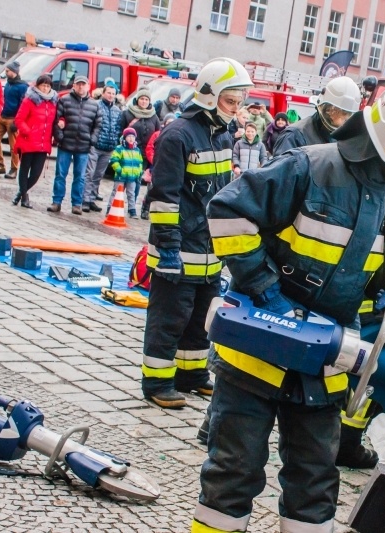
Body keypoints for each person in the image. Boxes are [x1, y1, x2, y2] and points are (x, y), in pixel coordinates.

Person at [192, 76, 385, 533]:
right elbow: (228, 213)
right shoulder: (308, 167)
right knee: (233, 473)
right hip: (257, 350)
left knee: (315, 483)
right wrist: (265, 290)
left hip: (323, 363)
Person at [141, 57, 253, 409]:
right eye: (229, 101)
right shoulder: (177, 135)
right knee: (169, 318)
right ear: (209, 95)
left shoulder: (219, 134)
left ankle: (191, 375)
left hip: (208, 251)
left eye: (239, 103)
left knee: (199, 318)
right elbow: (164, 199)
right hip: (178, 249)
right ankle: (157, 380)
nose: (235, 110)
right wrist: (169, 249)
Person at [48, 76, 101, 215]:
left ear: (88, 87)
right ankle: (56, 201)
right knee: (60, 174)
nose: (81, 87)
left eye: (83, 85)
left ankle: (76, 203)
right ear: (74, 86)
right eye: (78, 85)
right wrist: (59, 136)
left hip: (83, 146)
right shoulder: (64, 100)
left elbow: (98, 125)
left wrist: (92, 139)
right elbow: (57, 119)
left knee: (80, 176)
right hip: (66, 144)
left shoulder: (94, 105)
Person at [273, 76, 361, 154]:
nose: (340, 120)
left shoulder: (345, 139)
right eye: (336, 111)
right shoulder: (294, 135)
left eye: (346, 115)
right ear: (327, 109)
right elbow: (281, 170)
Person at [11, 74, 57, 209]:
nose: (45, 88)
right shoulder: (29, 100)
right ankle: (24, 198)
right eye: (43, 85)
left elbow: (57, 118)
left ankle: (20, 193)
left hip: (44, 143)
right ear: (37, 86)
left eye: (48, 86)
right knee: (25, 169)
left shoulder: (54, 101)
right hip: (28, 140)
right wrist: (28, 131)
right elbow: (19, 119)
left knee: (36, 173)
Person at [82, 81, 121, 213]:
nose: (111, 95)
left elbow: (118, 128)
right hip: (95, 145)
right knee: (89, 173)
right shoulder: (96, 106)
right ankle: (85, 200)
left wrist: (115, 141)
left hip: (109, 148)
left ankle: (92, 198)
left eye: (113, 93)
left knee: (99, 175)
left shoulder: (117, 110)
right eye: (108, 93)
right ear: (103, 93)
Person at [121, 87, 161, 208]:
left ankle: (131, 204)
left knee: (137, 180)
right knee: (123, 178)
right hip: (128, 151)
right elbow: (120, 131)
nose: (144, 101)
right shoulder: (128, 114)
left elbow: (158, 135)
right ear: (137, 100)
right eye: (142, 99)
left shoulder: (154, 117)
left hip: (143, 154)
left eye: (146, 99)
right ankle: (117, 201)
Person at [0, 61, 27, 178]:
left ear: (14, 72)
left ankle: (14, 169)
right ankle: (0, 165)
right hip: (3, 116)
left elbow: (23, 105)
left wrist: (17, 121)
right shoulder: (8, 84)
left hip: (13, 119)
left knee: (14, 147)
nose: (5, 73)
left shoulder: (22, 86)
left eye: (7, 71)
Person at [139, 113, 176, 220]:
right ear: (164, 123)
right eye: (168, 123)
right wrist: (155, 160)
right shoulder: (157, 134)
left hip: (169, 168)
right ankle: (145, 209)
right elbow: (150, 148)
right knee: (151, 189)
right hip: (155, 167)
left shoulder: (176, 136)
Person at [107, 127, 143, 219]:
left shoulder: (137, 150)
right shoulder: (120, 149)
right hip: (121, 176)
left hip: (132, 177)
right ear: (125, 137)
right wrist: (119, 170)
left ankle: (132, 210)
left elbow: (140, 162)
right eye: (129, 136)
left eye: (133, 136)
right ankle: (110, 208)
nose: (131, 138)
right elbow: (114, 160)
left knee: (131, 194)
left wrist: (138, 172)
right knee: (116, 192)